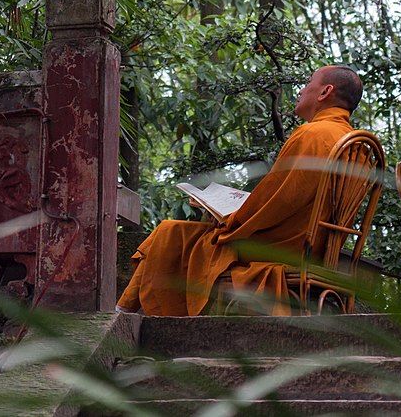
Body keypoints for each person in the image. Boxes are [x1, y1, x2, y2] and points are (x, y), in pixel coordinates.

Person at [116, 65, 365, 316]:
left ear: (325, 91)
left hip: (280, 248)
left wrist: (230, 219)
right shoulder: (356, 145)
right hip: (316, 248)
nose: (302, 90)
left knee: (169, 233)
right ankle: (127, 313)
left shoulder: (314, 134)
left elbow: (277, 201)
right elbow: (287, 198)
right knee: (175, 234)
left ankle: (125, 316)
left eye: (308, 83)